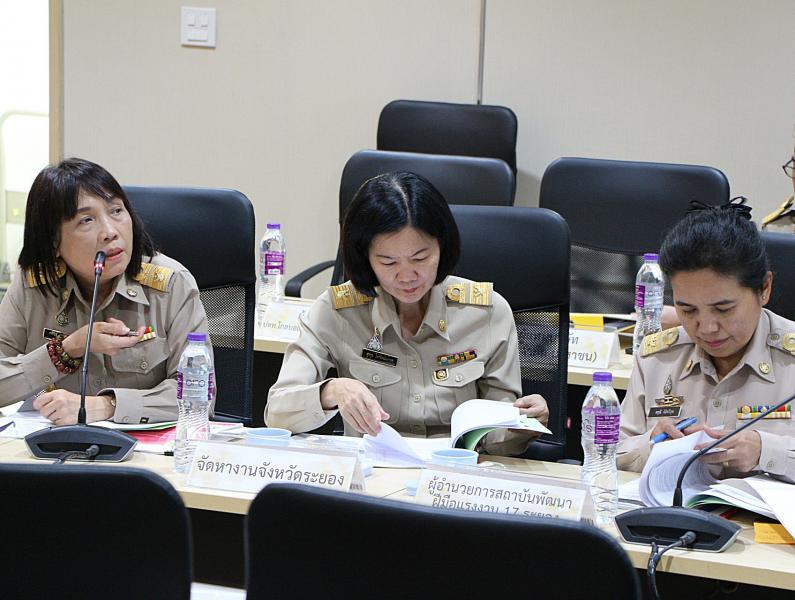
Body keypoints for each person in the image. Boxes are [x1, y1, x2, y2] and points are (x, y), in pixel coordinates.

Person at [266, 172, 549, 455]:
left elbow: (499, 442)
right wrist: (332, 391)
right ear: (365, 258)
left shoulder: (487, 313)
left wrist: (521, 426)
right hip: (373, 473)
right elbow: (277, 412)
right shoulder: (337, 311)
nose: (407, 276)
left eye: (420, 258)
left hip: (456, 472)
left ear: (442, 246)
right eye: (388, 262)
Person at [0, 158, 213, 425]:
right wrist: (66, 350)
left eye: (116, 210)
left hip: (143, 448)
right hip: (52, 445)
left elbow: (200, 396)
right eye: (86, 220)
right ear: (54, 241)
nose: (111, 232)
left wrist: (107, 406)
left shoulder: (171, 284)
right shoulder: (34, 286)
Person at [617, 197, 795, 483]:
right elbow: (609, 454)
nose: (707, 328)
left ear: (764, 288)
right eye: (688, 310)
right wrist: (651, 443)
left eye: (723, 309)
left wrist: (767, 451)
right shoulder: (657, 358)